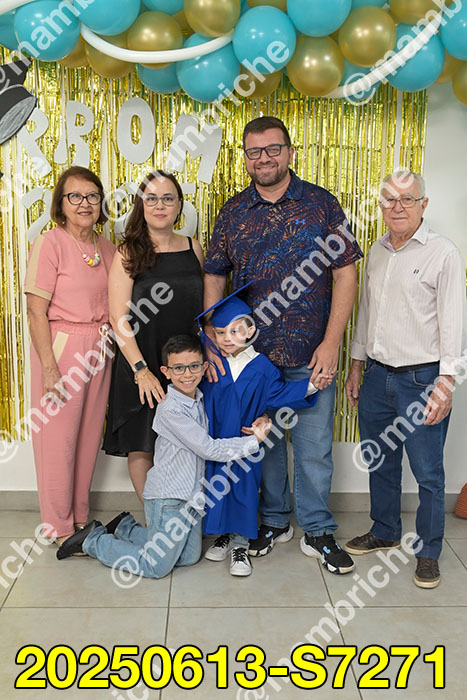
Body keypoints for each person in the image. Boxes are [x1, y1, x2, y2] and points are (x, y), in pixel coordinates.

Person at [203, 116, 362, 575]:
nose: (264, 158)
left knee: (314, 447)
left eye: (273, 149)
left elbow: (345, 274)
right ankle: (274, 522)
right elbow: (214, 276)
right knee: (264, 446)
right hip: (253, 361)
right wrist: (214, 337)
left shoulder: (322, 204)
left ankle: (317, 530)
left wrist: (332, 343)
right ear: (246, 158)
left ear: (290, 152)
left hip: (313, 354)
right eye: (254, 151)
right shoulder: (233, 212)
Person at [56, 335, 271, 577]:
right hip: (168, 499)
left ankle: (125, 528)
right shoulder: (170, 410)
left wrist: (263, 416)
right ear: (166, 372)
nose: (187, 374)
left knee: (189, 558)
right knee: (156, 566)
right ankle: (92, 540)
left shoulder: (200, 400)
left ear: (204, 368)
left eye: (194, 366)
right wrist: (254, 441)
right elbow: (208, 448)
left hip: (191, 498)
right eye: (178, 368)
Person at [344, 170, 467, 589]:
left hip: (423, 380)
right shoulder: (376, 252)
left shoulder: (443, 253)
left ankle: (429, 552)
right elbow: (366, 314)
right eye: (389, 200)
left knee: (428, 473)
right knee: (380, 459)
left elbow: (454, 323)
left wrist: (446, 384)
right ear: (380, 205)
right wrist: (356, 365)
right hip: (377, 376)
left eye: (407, 199)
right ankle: (385, 530)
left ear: (423, 204)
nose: (397, 207)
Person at [197, 287, 319, 577]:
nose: (227, 339)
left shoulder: (262, 366)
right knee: (217, 485)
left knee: (244, 487)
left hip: (246, 440)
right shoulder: (213, 365)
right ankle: (225, 535)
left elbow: (279, 393)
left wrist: (312, 385)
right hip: (216, 440)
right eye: (220, 333)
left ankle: (241, 544)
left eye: (234, 331)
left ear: (250, 331)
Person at [24, 166, 116, 545]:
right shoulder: (50, 243)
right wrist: (49, 367)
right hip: (63, 345)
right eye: (74, 196)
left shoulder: (107, 248)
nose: (84, 203)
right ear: (60, 204)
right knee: (58, 440)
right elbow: (35, 311)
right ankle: (58, 527)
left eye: (92, 196)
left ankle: (78, 518)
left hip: (101, 345)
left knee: (89, 435)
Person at [103, 171, 204, 501]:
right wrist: (141, 370)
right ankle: (157, 520)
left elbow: (203, 310)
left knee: (185, 441)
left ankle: (180, 514)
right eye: (152, 199)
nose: (160, 206)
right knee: (143, 443)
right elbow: (118, 319)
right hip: (142, 360)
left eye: (168, 198)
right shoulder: (128, 253)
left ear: (179, 206)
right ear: (141, 205)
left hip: (184, 365)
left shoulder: (193, 248)